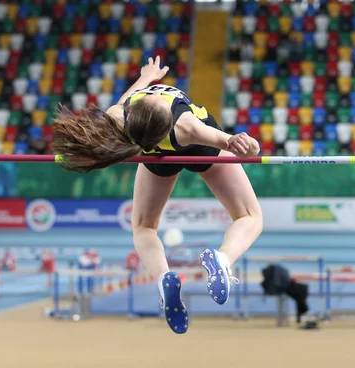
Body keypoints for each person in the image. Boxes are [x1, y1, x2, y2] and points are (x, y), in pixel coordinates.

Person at [52, 56, 263, 334]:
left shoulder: (121, 117)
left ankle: (164, 277)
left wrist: (146, 78)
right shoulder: (187, 126)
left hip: (156, 155)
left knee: (143, 227)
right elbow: (244, 149)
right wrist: (249, 145)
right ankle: (222, 261)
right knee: (250, 216)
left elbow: (127, 98)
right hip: (198, 146)